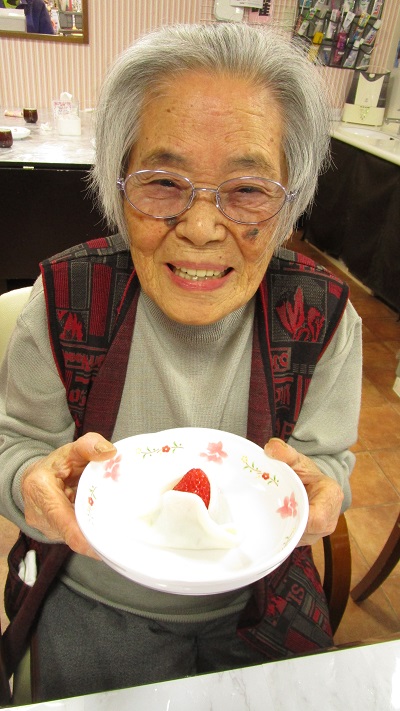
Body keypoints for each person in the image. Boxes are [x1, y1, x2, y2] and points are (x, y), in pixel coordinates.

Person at [0, 22, 362, 702]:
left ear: (291, 203)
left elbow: (326, 458)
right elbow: (15, 445)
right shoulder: (66, 299)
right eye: (164, 182)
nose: (199, 228)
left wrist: (325, 492)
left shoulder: (324, 317)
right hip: (93, 594)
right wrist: (29, 486)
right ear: (117, 185)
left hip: (261, 599)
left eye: (248, 190)